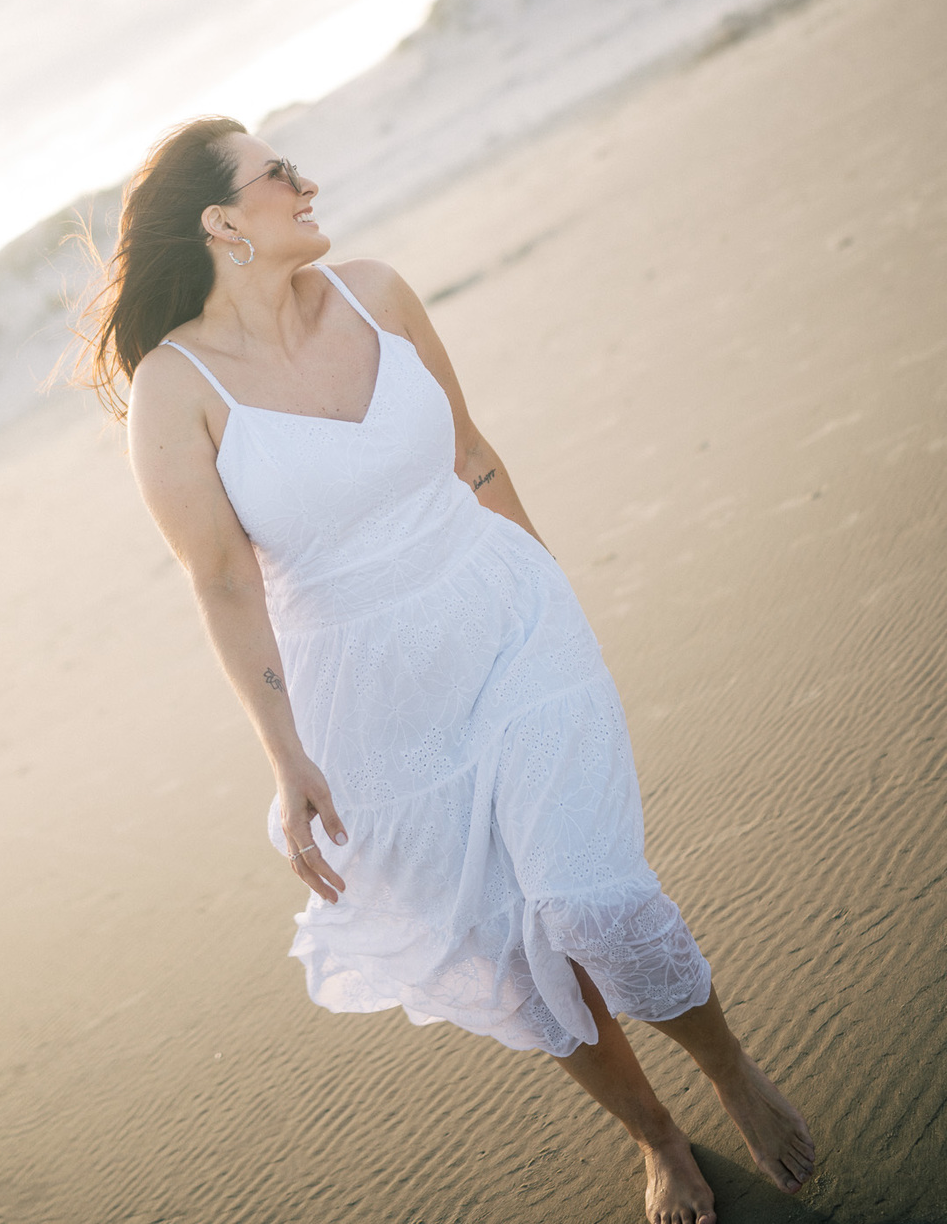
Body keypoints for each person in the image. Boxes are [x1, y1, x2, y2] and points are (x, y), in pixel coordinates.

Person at [83, 114, 815, 1224]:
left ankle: (730, 1072)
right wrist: (286, 761)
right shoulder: (176, 391)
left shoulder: (380, 292)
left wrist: (556, 592)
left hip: (508, 616)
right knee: (514, 955)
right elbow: (224, 585)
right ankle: (657, 1134)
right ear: (224, 221)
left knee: (593, 901)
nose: (310, 180)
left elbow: (472, 455)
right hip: (373, 703)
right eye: (281, 173)